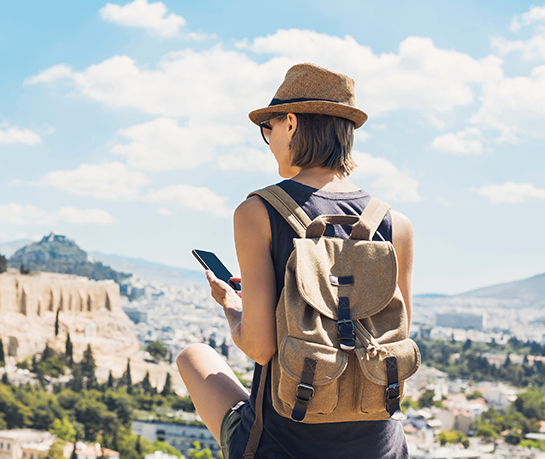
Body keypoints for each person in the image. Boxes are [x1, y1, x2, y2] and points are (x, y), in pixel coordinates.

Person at [176, 63, 414, 458]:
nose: (268, 140)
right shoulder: (395, 223)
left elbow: (261, 347)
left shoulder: (258, 212)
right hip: (380, 447)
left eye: (267, 128)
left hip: (284, 445)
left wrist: (234, 309)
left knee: (192, 356)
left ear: (290, 123)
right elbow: (396, 334)